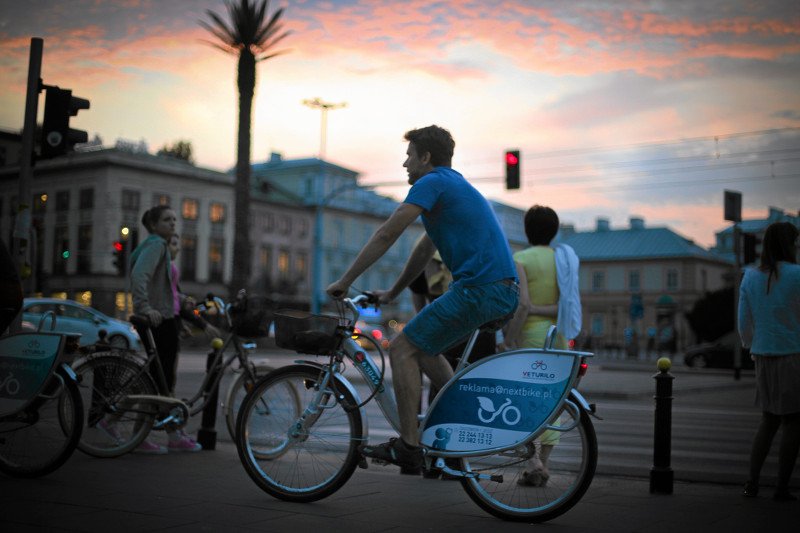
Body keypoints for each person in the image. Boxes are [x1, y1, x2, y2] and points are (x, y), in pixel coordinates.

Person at [326, 125, 519, 472]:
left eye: (409, 155)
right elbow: (424, 247)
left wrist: (345, 280)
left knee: (401, 347)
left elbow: (388, 232)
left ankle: (410, 446)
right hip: (496, 289)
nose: (404, 163)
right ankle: (464, 410)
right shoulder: (451, 183)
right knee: (425, 348)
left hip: (481, 289)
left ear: (425, 157)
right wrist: (393, 292)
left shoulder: (431, 183)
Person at [501, 205, 581, 487]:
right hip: (557, 337)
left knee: (520, 401)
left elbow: (521, 304)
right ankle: (542, 466)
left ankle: (532, 462)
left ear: (527, 230)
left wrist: (510, 339)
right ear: (554, 230)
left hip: (530, 338)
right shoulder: (563, 261)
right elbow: (565, 305)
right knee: (551, 403)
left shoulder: (520, 258)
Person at [128, 205, 201, 454]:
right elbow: (139, 276)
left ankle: (162, 435)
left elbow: (162, 287)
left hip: (164, 318)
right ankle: (144, 435)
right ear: (153, 225)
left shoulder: (154, 246)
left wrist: (179, 302)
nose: (173, 224)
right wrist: (144, 307)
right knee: (161, 381)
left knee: (159, 381)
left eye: (174, 219)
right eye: (167, 220)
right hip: (158, 320)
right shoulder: (157, 245)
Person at [739, 221, 800, 501]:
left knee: (768, 421)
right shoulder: (797, 274)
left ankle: (752, 483)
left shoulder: (750, 276)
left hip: (762, 356)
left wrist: (752, 345)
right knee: (792, 422)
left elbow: (744, 322)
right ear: (790, 244)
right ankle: (782, 487)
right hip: (792, 354)